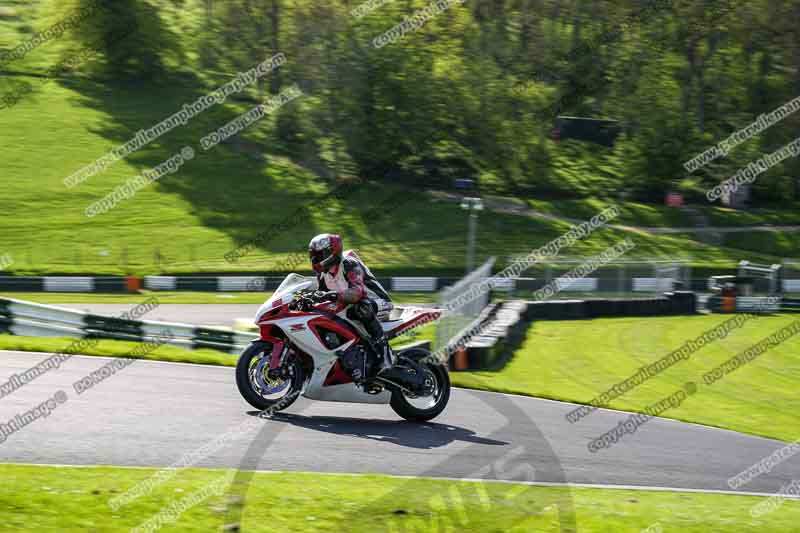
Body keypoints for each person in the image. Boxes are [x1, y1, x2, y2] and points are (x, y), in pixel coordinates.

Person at [308, 233, 394, 381]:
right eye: (313, 256)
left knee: (361, 308)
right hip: (350, 305)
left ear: (331, 252)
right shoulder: (323, 274)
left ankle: (384, 355)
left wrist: (334, 295)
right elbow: (321, 297)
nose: (315, 260)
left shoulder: (349, 264)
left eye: (319, 255)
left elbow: (357, 292)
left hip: (377, 302)